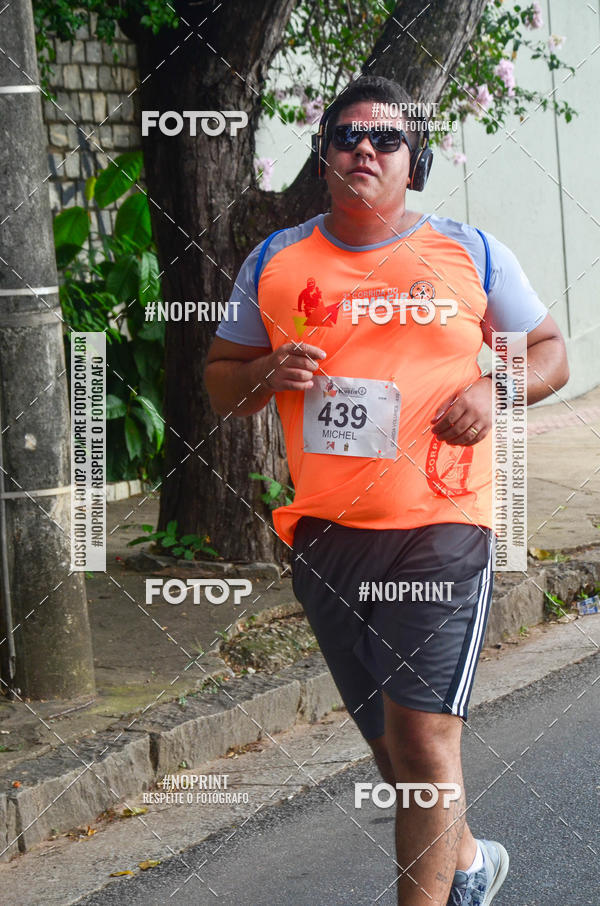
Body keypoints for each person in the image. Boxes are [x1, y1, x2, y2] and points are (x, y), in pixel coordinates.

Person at [204, 75, 569, 906]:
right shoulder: (275, 260)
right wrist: (264, 372)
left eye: (386, 139)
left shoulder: (471, 252)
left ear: (417, 159)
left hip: (441, 524)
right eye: (346, 137)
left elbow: (549, 350)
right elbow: (222, 385)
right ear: (325, 157)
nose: (363, 149)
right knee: (389, 748)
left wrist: (496, 389)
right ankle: (469, 863)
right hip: (327, 535)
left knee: (423, 736)